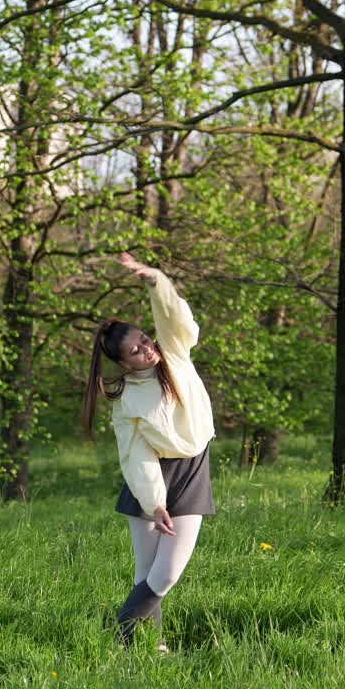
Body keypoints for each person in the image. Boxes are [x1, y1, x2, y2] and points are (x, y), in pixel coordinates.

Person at [81, 253, 216, 647]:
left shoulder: (173, 353)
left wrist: (157, 281)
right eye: (137, 351)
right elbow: (136, 456)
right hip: (149, 482)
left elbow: (178, 321)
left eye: (144, 339)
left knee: (168, 573)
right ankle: (151, 649)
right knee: (147, 574)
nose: (147, 348)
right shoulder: (126, 400)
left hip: (191, 472)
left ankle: (120, 631)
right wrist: (155, 502)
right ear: (124, 364)